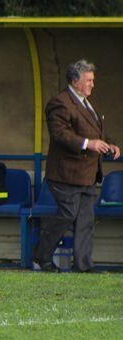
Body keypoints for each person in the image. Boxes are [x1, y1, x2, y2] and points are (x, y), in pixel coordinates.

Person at [33, 59, 119, 273]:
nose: (92, 84)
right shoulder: (60, 102)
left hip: (88, 173)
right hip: (65, 173)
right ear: (75, 80)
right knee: (68, 214)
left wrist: (109, 144)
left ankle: (83, 264)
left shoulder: (87, 103)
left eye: (92, 80)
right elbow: (59, 134)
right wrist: (88, 144)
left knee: (85, 220)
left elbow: (96, 131)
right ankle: (41, 256)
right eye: (88, 80)